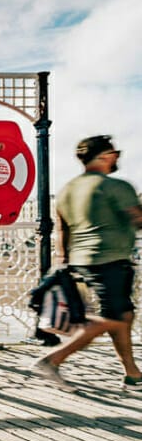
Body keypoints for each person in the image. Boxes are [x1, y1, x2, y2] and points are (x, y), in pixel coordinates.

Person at [33, 135, 142, 391]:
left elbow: (62, 231)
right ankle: (52, 360)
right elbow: (138, 220)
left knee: (123, 314)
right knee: (113, 318)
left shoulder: (67, 190)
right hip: (110, 259)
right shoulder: (117, 187)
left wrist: (65, 262)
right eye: (115, 153)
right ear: (104, 156)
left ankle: (133, 374)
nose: (117, 157)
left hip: (81, 262)